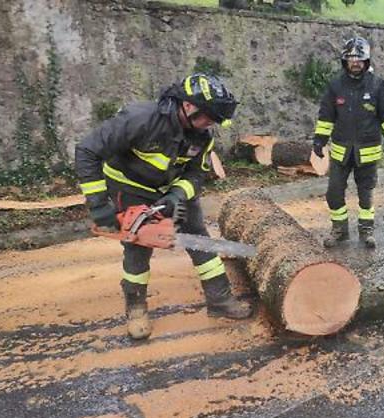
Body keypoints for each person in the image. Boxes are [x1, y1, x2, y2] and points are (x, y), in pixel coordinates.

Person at [75, 73, 253, 339]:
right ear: (189, 106)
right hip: (130, 188)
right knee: (138, 248)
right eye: (208, 117)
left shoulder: (202, 136)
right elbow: (87, 150)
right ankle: (135, 309)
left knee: (198, 238)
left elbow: (196, 174)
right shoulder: (140, 120)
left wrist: (176, 197)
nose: (210, 124)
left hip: (170, 189)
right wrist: (99, 204)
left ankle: (220, 299)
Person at [312, 36, 384, 249]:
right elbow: (326, 116)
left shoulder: (378, 85)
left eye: (359, 59)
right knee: (333, 192)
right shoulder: (335, 86)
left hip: (368, 151)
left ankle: (366, 231)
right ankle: (340, 230)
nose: (355, 63)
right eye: (351, 59)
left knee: (365, 194)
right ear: (345, 61)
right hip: (341, 151)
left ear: (367, 61)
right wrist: (319, 141)